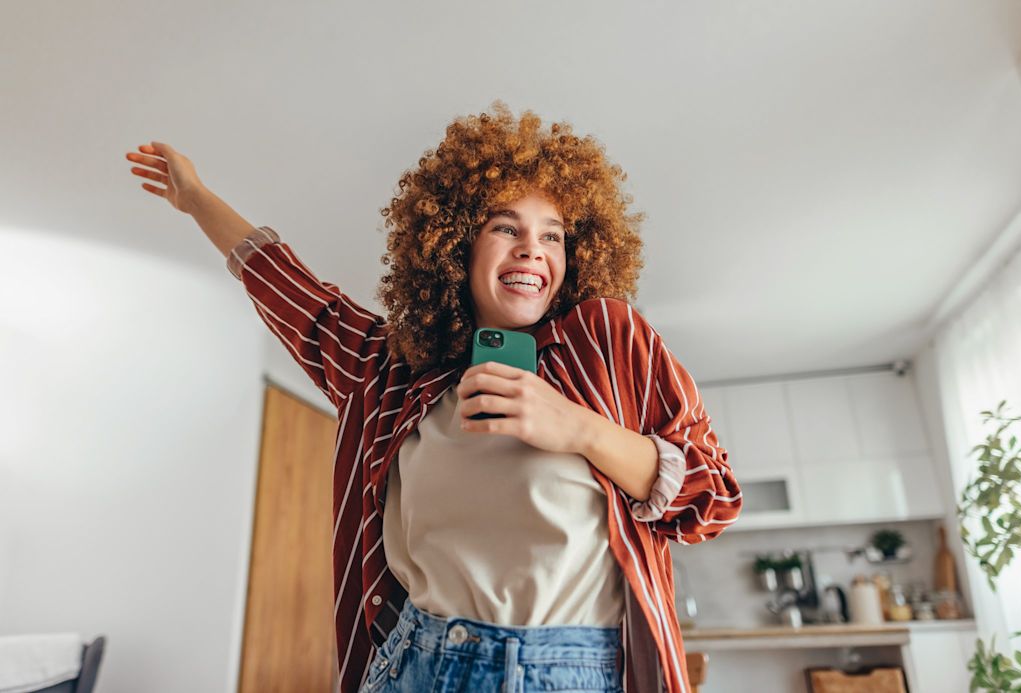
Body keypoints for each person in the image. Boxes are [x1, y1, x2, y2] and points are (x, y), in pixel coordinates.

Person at [125, 101, 742, 693]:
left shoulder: (612, 342)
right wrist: (196, 199)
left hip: (578, 669)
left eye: (552, 236)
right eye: (506, 227)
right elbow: (294, 293)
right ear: (457, 244)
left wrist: (579, 429)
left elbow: (713, 497)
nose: (533, 248)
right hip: (420, 664)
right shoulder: (388, 369)